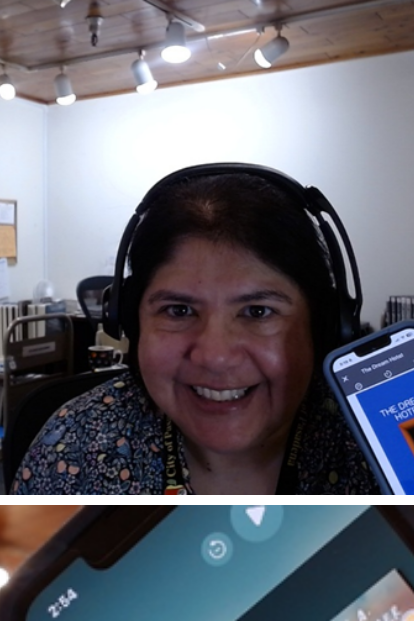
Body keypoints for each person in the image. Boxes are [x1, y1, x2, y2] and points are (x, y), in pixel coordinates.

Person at [11, 166, 380, 494]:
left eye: (257, 311)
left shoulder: (379, 443)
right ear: (129, 319)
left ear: (327, 325)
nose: (215, 356)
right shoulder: (76, 443)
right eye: (179, 310)